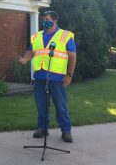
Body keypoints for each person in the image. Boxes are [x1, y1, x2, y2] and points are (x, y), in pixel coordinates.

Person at [19, 11, 77, 143]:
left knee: (60, 104)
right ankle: (42, 128)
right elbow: (31, 51)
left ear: (55, 20)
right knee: (41, 104)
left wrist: (69, 74)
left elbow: (72, 56)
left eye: (47, 19)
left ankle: (66, 131)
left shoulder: (65, 36)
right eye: (43, 19)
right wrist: (25, 59)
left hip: (57, 77)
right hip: (40, 76)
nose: (44, 21)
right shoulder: (37, 36)